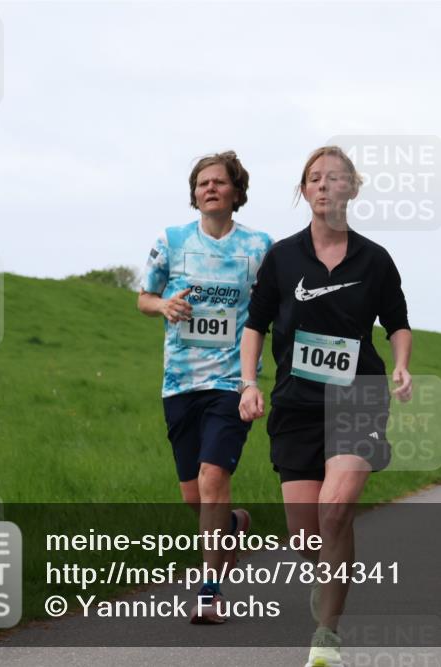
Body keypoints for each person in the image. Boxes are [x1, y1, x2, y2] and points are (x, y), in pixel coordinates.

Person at [238, 146, 412, 667]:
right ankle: (330, 578)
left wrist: (402, 365)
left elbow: (397, 323)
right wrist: (248, 383)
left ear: (351, 189)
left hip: (358, 395)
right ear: (304, 190)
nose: (322, 185)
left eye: (333, 178)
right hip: (296, 404)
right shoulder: (282, 257)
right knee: (306, 536)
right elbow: (255, 325)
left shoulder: (374, 260)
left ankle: (326, 635)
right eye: (313, 178)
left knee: (335, 511)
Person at [137, 151, 273, 624]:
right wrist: (163, 307)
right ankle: (232, 525)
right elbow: (143, 297)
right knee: (194, 497)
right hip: (179, 381)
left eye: (219, 182)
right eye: (202, 183)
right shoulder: (171, 240)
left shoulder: (259, 247)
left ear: (236, 191)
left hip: (232, 381)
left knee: (214, 479)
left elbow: (272, 306)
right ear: (194, 194)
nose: (209, 188)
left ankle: (209, 591)